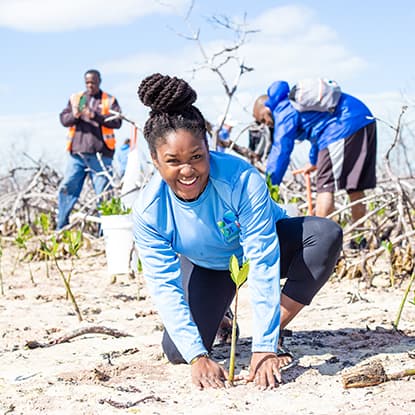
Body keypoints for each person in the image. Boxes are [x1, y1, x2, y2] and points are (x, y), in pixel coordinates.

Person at [133, 73, 343, 390]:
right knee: (178, 351)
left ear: (209, 147)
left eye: (197, 157)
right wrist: (197, 357)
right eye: (173, 161)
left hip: (263, 248)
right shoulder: (149, 211)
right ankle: (222, 318)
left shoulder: (241, 180)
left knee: (325, 235)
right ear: (155, 160)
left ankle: (274, 328)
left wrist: (263, 347)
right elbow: (164, 286)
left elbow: (262, 261)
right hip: (209, 264)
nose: (187, 170)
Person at [253, 80, 377, 223]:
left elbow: (281, 150)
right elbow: (317, 134)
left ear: (267, 109)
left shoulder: (282, 110)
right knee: (354, 187)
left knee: (325, 186)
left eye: (263, 119)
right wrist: (313, 161)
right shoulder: (294, 105)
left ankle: (320, 240)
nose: (265, 124)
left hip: (342, 126)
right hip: (363, 120)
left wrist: (269, 185)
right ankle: (360, 240)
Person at [57, 69, 122, 229]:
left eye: (93, 82)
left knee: (104, 194)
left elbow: (117, 121)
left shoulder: (108, 100)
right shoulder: (77, 99)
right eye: (87, 82)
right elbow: (64, 119)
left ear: (99, 81)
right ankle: (61, 227)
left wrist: (94, 115)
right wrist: (76, 115)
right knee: (67, 189)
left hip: (101, 155)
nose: (90, 85)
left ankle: (106, 232)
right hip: (77, 155)